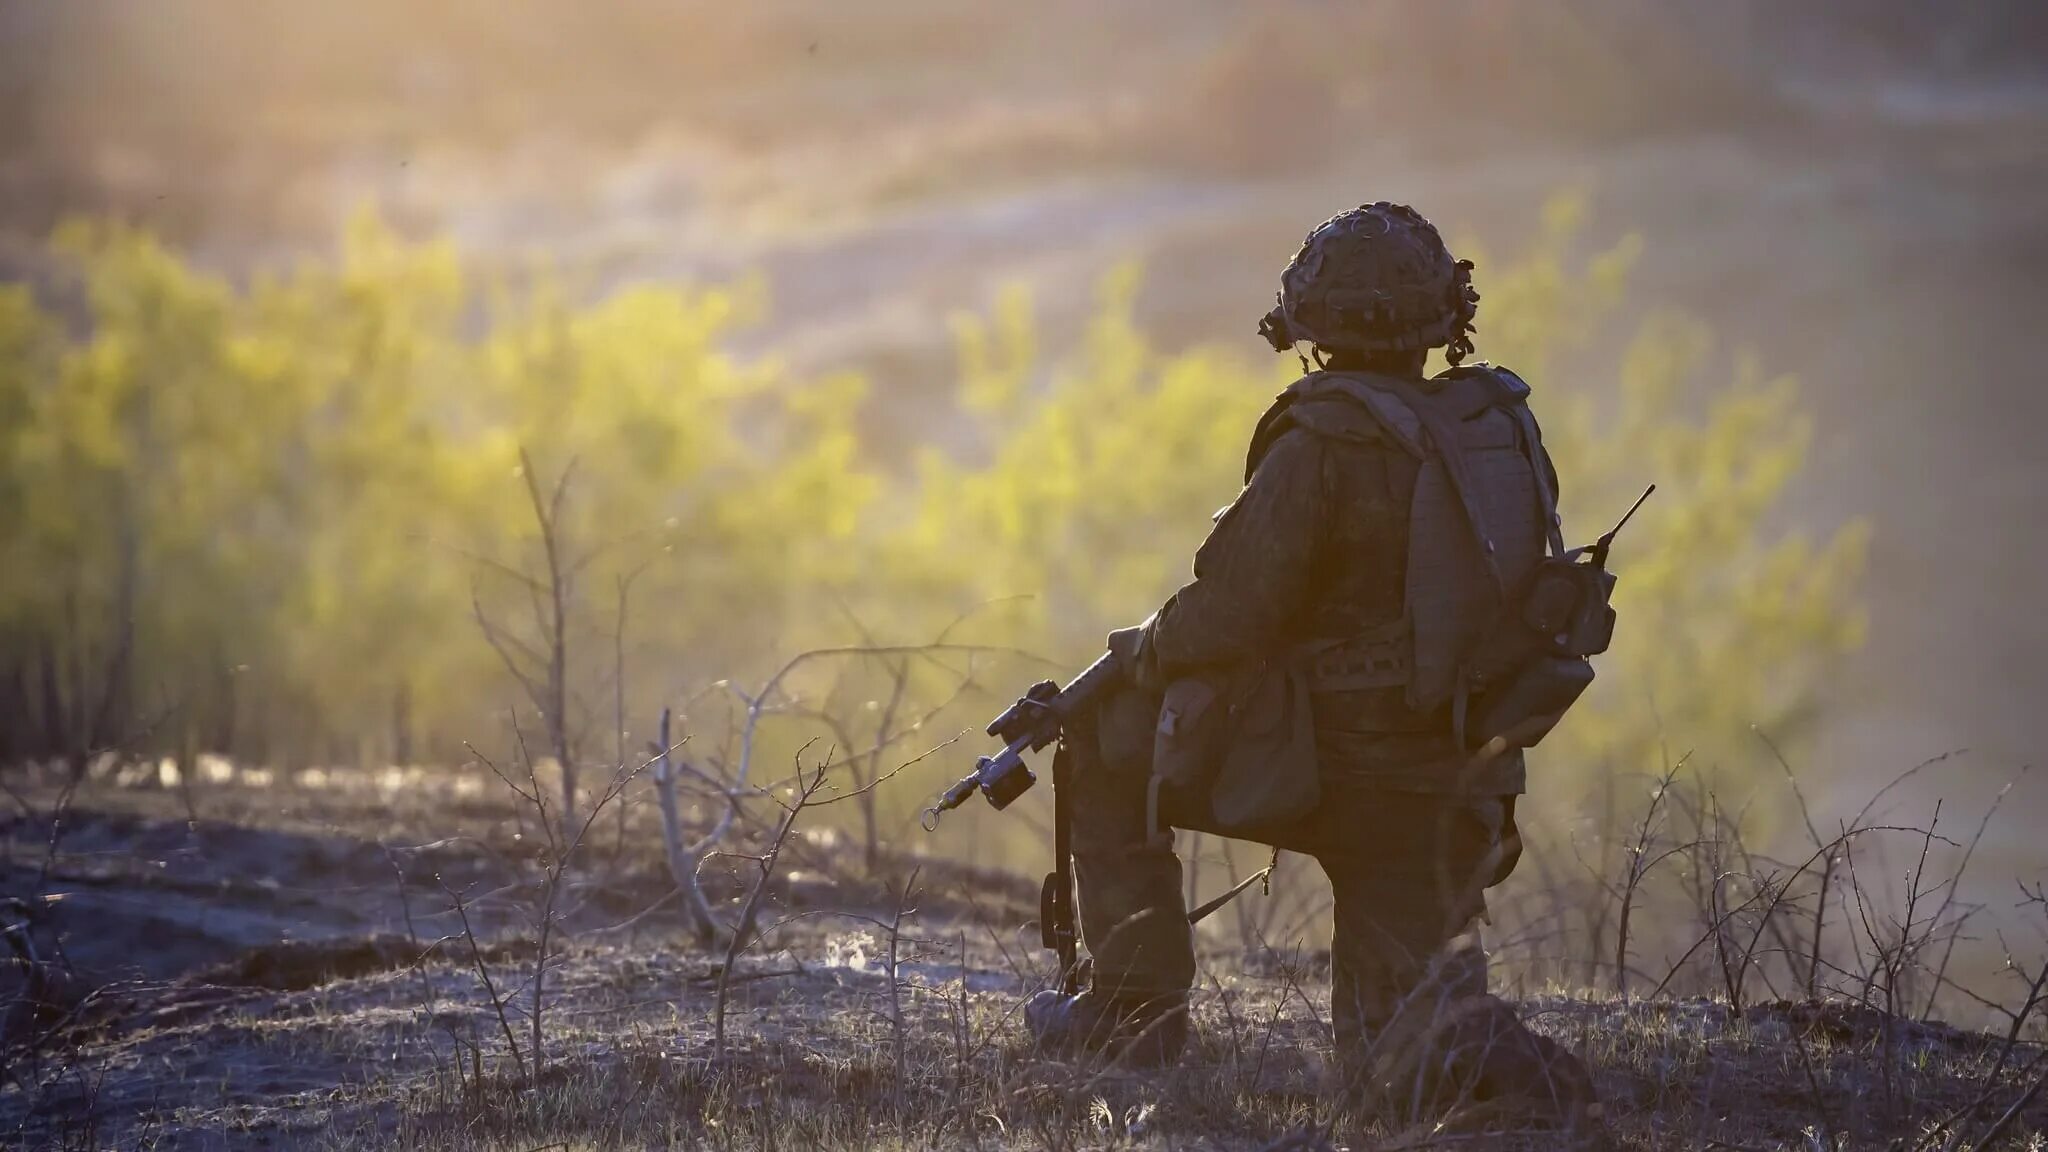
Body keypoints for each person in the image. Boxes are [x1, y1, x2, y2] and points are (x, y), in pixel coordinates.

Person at [1023, 202, 1605, 1137]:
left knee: (1100, 733)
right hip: (1453, 782)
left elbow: (1230, 613)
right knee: (1397, 1075)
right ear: (1442, 320)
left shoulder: (1323, 439)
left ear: (1312, 323)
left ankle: (1133, 1015)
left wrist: (1141, 654)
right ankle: (1510, 1064)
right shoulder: (1495, 423)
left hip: (1334, 769)